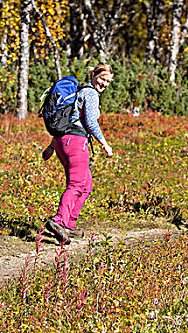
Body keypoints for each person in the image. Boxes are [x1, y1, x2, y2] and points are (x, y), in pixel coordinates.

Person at [42, 63, 114, 244]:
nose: (104, 84)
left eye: (108, 81)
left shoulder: (79, 93)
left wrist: (51, 146)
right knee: (76, 184)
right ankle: (59, 221)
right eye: (102, 79)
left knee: (86, 185)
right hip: (76, 142)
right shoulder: (90, 94)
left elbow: (67, 122)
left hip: (63, 142)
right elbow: (90, 122)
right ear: (94, 76)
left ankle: (69, 224)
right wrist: (104, 144)